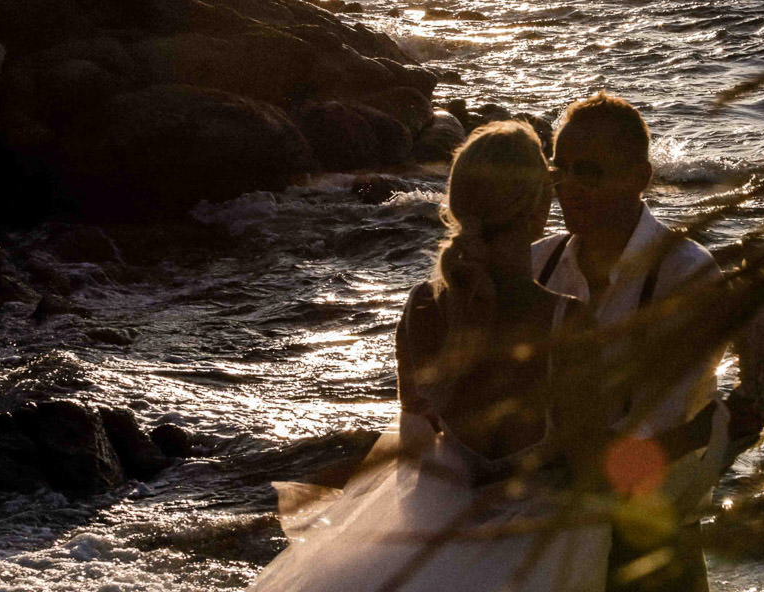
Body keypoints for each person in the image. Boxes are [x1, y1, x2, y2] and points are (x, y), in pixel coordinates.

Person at [252, 121, 608, 592]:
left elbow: (414, 448)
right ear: (539, 211)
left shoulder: (421, 306)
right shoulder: (568, 323)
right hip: (541, 555)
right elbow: (592, 470)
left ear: (457, 206)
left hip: (440, 531)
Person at [533, 93, 728, 592]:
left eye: (591, 172)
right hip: (545, 538)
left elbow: (666, 434)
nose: (571, 187)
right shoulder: (538, 265)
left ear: (641, 177)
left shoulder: (687, 276)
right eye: (562, 171)